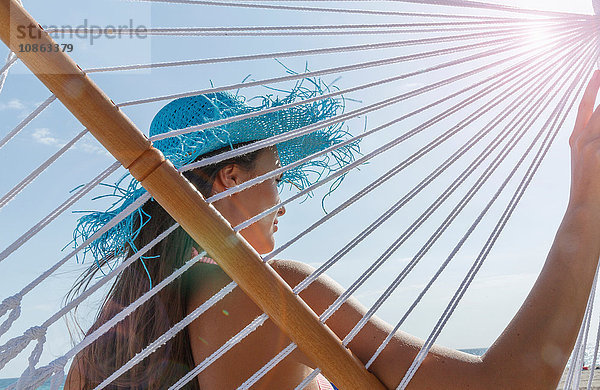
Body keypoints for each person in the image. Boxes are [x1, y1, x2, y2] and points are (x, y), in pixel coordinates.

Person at [64, 70, 600, 389]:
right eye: (274, 175)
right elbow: (506, 387)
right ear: (230, 177)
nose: (281, 201)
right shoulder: (273, 298)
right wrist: (584, 208)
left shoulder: (101, 349)